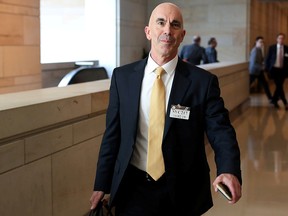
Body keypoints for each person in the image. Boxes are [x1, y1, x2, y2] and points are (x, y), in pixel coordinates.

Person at [90, 2, 242, 216]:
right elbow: (112, 135)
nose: (167, 30)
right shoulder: (122, 78)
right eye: (160, 23)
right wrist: (101, 184)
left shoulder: (202, 82)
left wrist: (228, 169)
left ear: (182, 35)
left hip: (183, 191)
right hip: (132, 188)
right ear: (148, 31)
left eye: (175, 25)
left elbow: (221, 131)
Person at [265, 33, 288, 110]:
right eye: (279, 38)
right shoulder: (272, 48)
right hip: (274, 70)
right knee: (279, 86)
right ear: (277, 39)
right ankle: (285, 102)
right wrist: (267, 69)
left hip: (283, 70)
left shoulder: (286, 48)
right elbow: (267, 59)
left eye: (282, 38)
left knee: (279, 86)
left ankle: (274, 100)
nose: (281, 40)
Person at [249, 36, 272, 102]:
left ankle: (270, 98)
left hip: (259, 71)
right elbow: (253, 63)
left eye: (262, 42)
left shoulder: (259, 49)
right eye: (260, 42)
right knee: (248, 85)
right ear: (256, 42)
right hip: (254, 71)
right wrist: (262, 67)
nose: (262, 43)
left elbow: (261, 60)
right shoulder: (255, 50)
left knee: (265, 84)